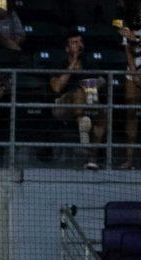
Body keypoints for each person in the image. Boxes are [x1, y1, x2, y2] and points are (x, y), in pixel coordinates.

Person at [51, 32, 106, 171]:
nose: (78, 45)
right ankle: (84, 135)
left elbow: (102, 80)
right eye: (74, 42)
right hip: (62, 106)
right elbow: (57, 88)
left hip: (88, 102)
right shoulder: (60, 64)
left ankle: (92, 159)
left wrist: (96, 83)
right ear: (67, 49)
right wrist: (73, 62)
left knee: (102, 115)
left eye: (80, 41)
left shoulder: (89, 63)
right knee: (78, 93)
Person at [121, 1, 141, 170]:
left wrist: (134, 39)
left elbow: (134, 41)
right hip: (133, 73)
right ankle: (129, 160)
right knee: (131, 116)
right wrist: (134, 74)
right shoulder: (128, 24)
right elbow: (128, 50)